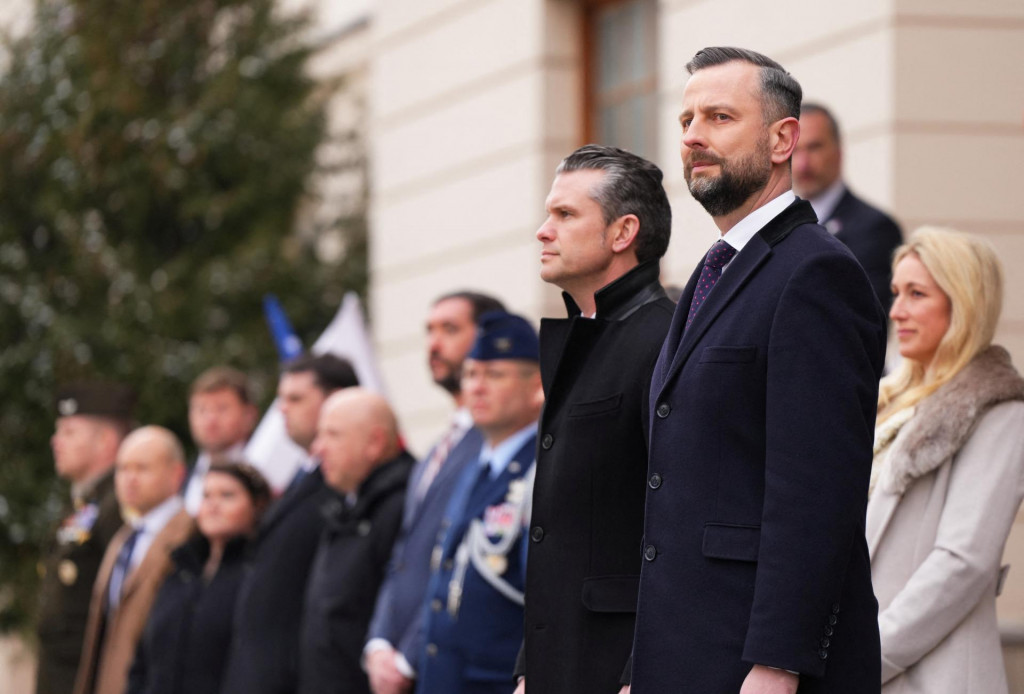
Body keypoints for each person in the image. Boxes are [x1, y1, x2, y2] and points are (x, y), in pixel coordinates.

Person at [632, 47, 886, 694]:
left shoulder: (815, 273)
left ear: (783, 140)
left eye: (719, 116)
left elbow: (817, 490)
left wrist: (779, 663)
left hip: (756, 665)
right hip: (683, 653)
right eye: (687, 119)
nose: (693, 136)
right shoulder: (710, 274)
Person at [515, 144, 674, 694]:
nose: (543, 230)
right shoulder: (582, 340)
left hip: (618, 668)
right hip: (556, 658)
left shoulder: (665, 343)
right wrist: (527, 666)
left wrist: (641, 673)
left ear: (622, 232)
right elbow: (559, 533)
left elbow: (675, 524)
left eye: (564, 215)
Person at [867, 227, 1024, 693]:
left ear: (964, 303)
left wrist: (868, 656)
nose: (897, 310)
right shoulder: (885, 402)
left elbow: (963, 564)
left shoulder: (999, 409)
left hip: (935, 675)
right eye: (896, 293)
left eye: (917, 294)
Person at [365, 291, 505, 694]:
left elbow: (461, 560)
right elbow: (405, 556)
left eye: (450, 329)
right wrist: (378, 644)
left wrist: (406, 657)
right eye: (429, 331)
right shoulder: (432, 456)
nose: (433, 344)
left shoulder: (495, 445)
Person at [416, 312, 542, 694]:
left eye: (496, 375)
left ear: (537, 384)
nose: (478, 388)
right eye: (471, 375)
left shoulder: (544, 467)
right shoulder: (474, 466)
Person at [220, 355, 359, 694]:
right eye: (281, 399)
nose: (282, 409)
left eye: (296, 399)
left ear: (336, 400)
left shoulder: (346, 487)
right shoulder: (301, 477)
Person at [298, 389, 414, 694]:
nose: (318, 448)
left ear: (375, 442)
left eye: (332, 435)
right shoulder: (348, 505)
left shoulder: (402, 506)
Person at [126, 462, 272, 694]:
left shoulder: (260, 575)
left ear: (257, 506)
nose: (213, 505)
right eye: (206, 496)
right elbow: (143, 658)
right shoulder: (179, 570)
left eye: (227, 495)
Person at [74, 427, 193, 694]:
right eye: (122, 469)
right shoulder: (124, 538)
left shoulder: (190, 535)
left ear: (177, 474)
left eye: (142, 468)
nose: (129, 479)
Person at [36, 382, 136, 694]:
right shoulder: (84, 503)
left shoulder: (119, 504)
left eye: (68, 432)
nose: (55, 442)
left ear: (106, 440)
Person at [792, 102, 902, 309]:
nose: (802, 164)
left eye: (814, 147)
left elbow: (867, 315)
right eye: (795, 150)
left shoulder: (874, 229)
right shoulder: (776, 226)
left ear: (838, 151)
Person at [183, 366, 258, 515]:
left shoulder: (264, 470)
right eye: (201, 409)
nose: (210, 420)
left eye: (221, 408)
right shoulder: (180, 478)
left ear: (249, 415)